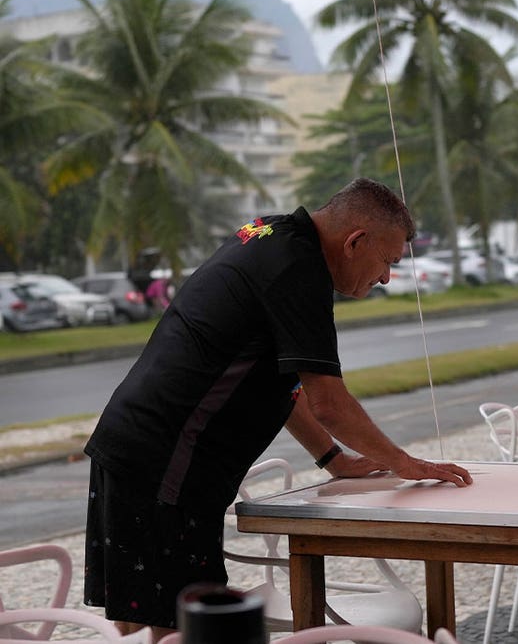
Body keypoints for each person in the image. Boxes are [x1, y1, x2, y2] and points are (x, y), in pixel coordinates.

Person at [82, 178, 473, 641]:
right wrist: (404, 463)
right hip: (167, 465)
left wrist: (334, 459)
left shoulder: (267, 233)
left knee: (143, 616)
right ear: (355, 241)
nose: (386, 276)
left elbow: (277, 380)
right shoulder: (298, 270)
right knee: (181, 628)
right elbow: (328, 401)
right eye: (387, 261)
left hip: (130, 445)